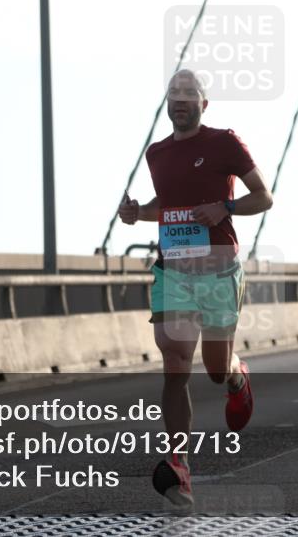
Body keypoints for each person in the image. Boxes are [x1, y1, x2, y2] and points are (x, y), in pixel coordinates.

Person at [117, 69, 274, 507]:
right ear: (167, 104)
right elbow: (166, 208)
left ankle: (236, 376)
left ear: (204, 104)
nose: (180, 100)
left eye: (189, 94)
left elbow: (264, 196)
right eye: (173, 93)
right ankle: (180, 464)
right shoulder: (157, 154)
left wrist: (223, 207)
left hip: (219, 269)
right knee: (174, 359)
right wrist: (136, 213)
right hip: (174, 271)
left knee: (215, 369)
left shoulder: (224, 142)